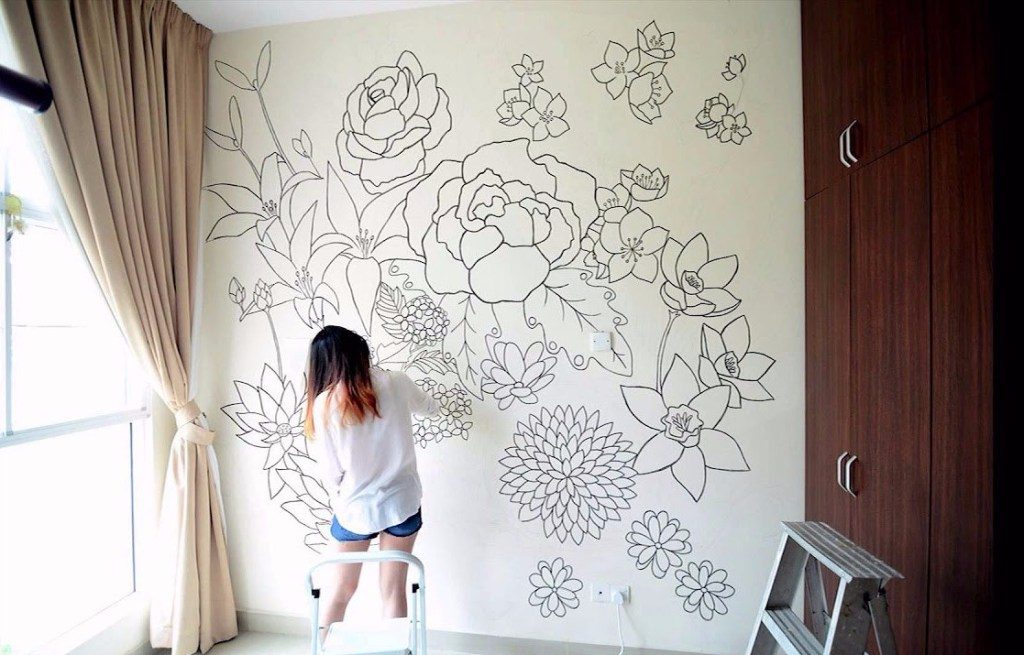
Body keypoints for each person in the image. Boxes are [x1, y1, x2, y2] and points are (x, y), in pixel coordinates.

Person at [304, 325, 438, 635]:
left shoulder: (325, 404)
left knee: (340, 591)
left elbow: (331, 473)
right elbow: (431, 408)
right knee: (393, 591)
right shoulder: (397, 382)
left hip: (356, 509)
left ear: (324, 363)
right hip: (402, 503)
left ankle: (320, 648)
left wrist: (342, 496)